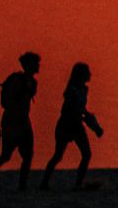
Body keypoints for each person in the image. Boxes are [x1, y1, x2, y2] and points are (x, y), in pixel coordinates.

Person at [0, 51, 41, 191]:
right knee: (6, 156)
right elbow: (9, 103)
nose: (38, 66)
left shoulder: (33, 83)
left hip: (24, 123)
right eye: (35, 63)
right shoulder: (17, 81)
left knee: (27, 155)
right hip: (12, 123)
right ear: (28, 65)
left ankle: (22, 186)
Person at [40, 62, 104, 190]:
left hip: (77, 125)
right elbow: (68, 109)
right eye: (87, 72)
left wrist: (93, 123)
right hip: (66, 124)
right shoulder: (71, 91)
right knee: (58, 155)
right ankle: (44, 183)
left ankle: (78, 184)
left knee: (86, 154)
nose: (90, 74)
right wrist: (84, 118)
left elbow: (82, 108)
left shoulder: (84, 90)